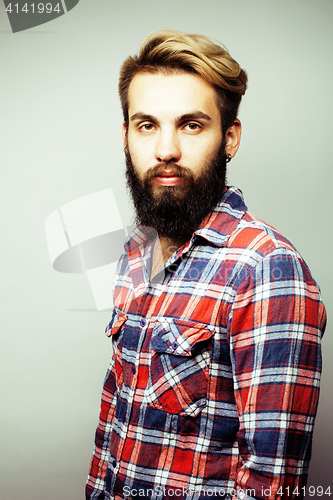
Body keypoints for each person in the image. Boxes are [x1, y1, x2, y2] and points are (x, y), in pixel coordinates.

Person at [86, 30, 326, 500]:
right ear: (126, 136)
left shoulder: (267, 269)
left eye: (191, 125)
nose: (166, 150)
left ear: (230, 138)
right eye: (147, 125)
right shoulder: (135, 252)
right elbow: (115, 423)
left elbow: (271, 484)